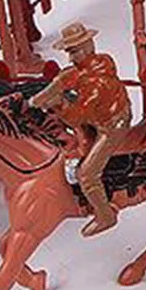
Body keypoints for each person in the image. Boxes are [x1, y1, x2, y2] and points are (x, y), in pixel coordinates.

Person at [31, 21, 132, 236]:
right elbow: (66, 79)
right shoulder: (92, 66)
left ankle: (105, 216)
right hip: (98, 117)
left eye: (74, 51)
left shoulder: (96, 83)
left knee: (87, 173)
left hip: (111, 125)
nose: (71, 58)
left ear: (88, 47)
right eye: (69, 52)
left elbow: (75, 118)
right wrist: (36, 100)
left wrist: (57, 105)